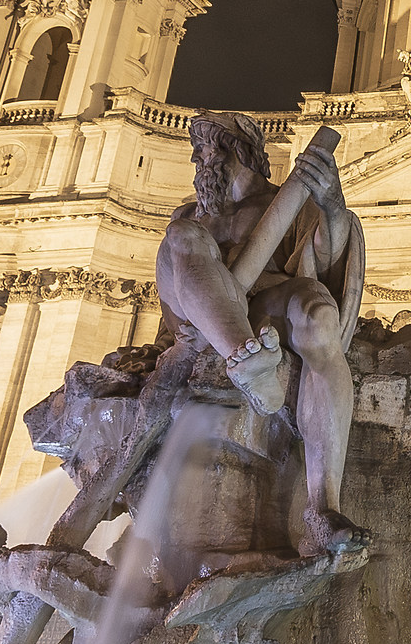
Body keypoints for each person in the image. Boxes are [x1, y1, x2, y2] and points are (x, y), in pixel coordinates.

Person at [157, 112, 368, 559]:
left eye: (204, 149)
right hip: (206, 321)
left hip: (265, 310)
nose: (196, 159)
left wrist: (332, 206)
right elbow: (171, 299)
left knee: (319, 315)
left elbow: (325, 261)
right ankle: (248, 360)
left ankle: (323, 508)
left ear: (237, 149)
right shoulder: (189, 216)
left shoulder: (283, 201)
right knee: (183, 236)